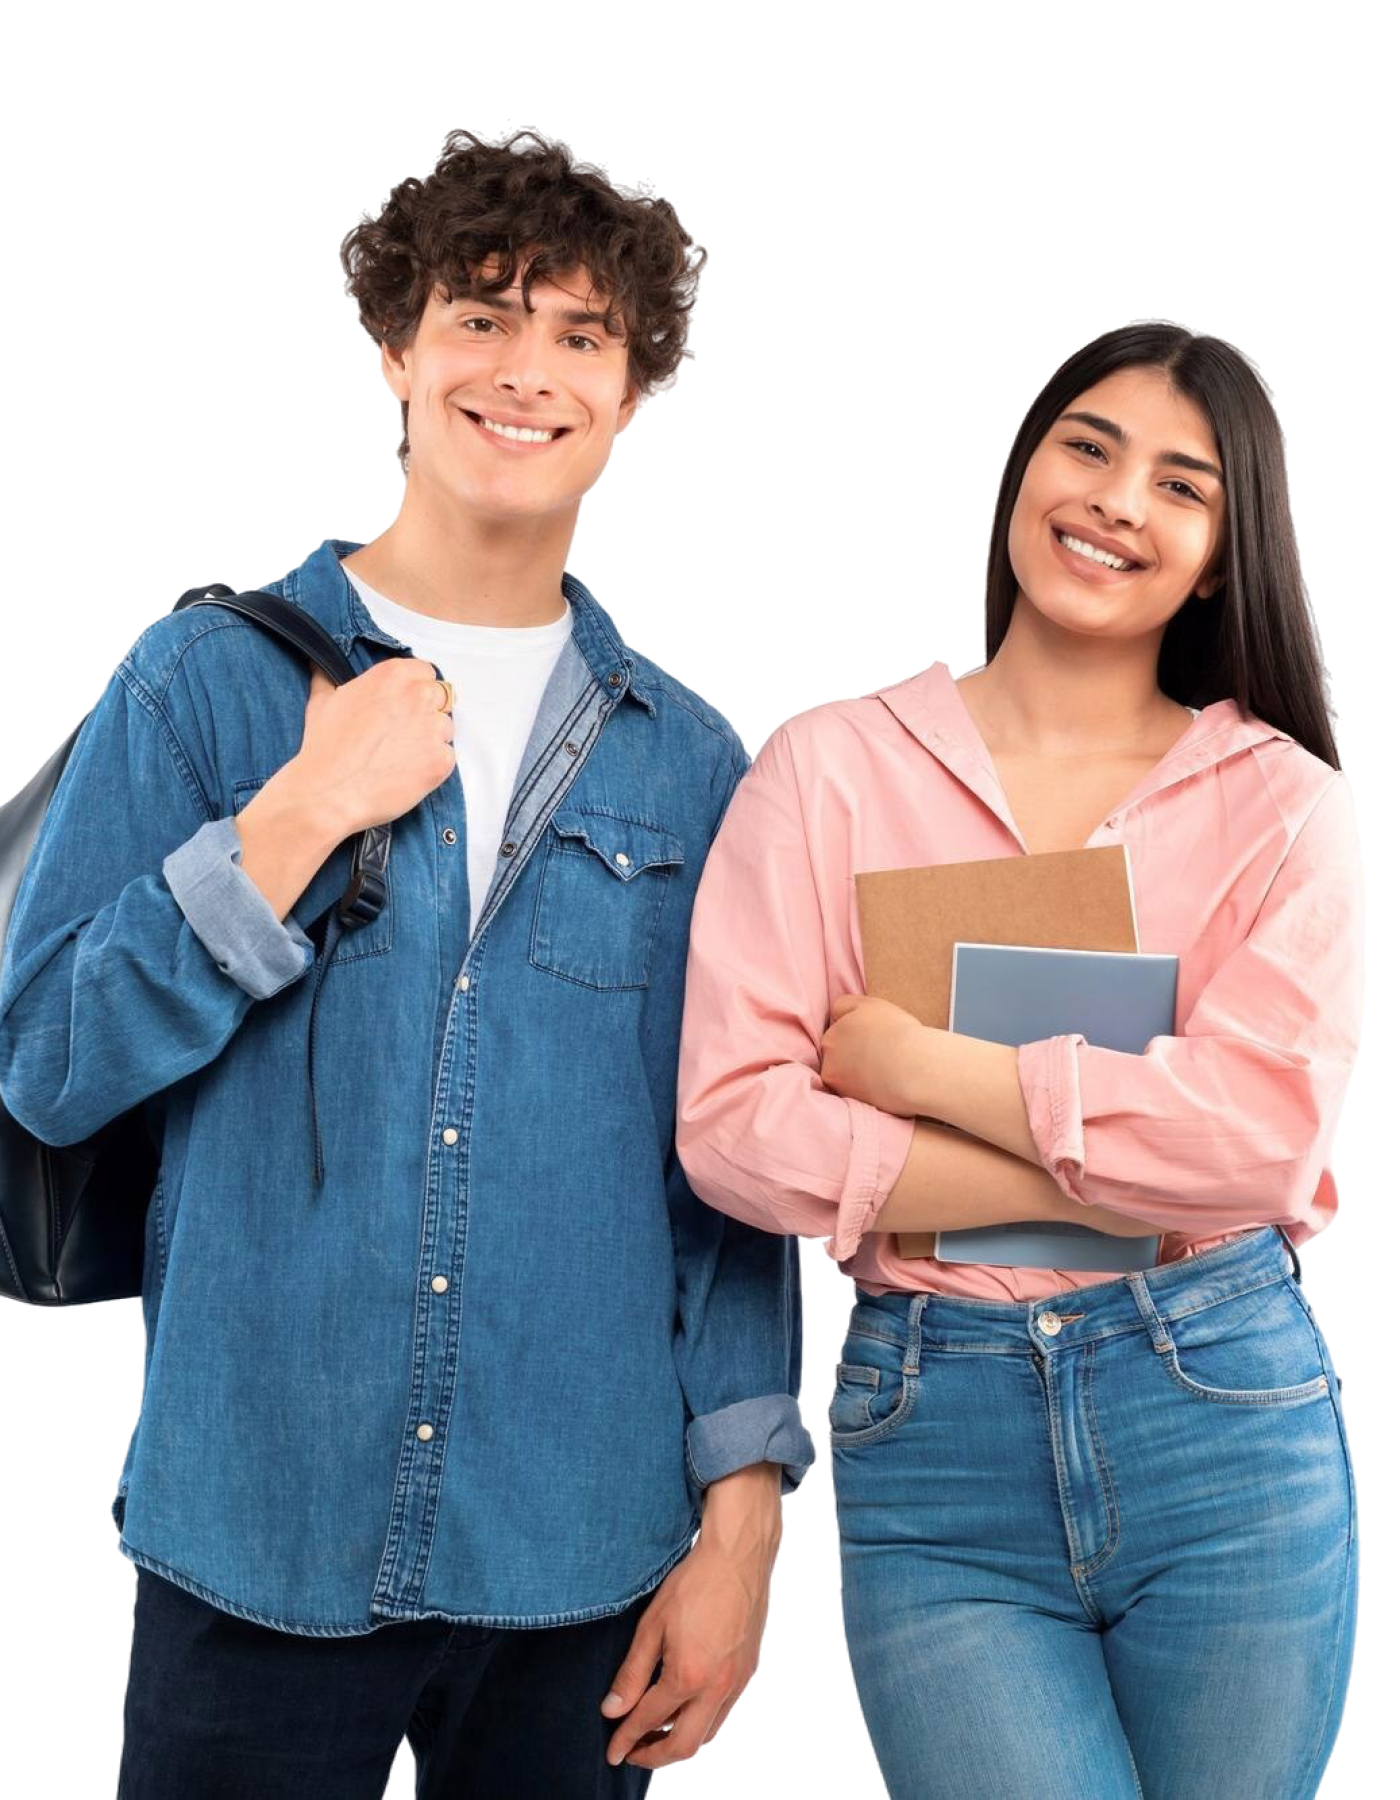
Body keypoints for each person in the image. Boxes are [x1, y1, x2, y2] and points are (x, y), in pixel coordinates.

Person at [0, 127, 810, 1795]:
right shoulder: (196, 685)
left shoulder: (697, 762)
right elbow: (48, 1064)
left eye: (583, 337)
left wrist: (745, 1517)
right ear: (394, 349)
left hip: (583, 1553)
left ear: (641, 392)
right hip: (255, 1527)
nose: (527, 373)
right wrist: (294, 817)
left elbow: (729, 1164)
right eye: (483, 317)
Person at [676, 333, 1363, 1798]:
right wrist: (1120, 1157)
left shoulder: (1287, 808)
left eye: (1182, 485)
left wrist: (917, 1065)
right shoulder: (827, 766)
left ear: (1224, 556)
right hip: (935, 1440)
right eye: (1090, 448)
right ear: (1024, 472)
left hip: (1222, 1417)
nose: (1118, 500)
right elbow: (730, 1129)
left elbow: (1257, 1140)